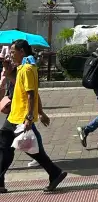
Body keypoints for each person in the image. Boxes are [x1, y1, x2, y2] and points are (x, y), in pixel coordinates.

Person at [0, 40, 67, 193]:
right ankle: (0, 182)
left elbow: (32, 94)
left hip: (22, 117)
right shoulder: (22, 67)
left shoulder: (28, 68)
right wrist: (6, 68)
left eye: (13, 51)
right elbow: (18, 85)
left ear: (22, 51)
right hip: (14, 116)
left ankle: (55, 173)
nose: (10, 54)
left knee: (33, 149)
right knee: (5, 148)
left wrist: (31, 116)